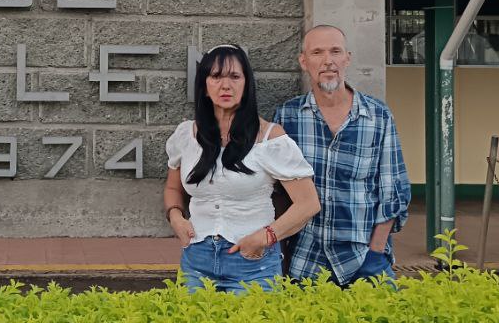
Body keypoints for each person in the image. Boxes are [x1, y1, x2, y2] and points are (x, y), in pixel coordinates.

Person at [162, 44, 321, 293]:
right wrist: (175, 217)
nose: (226, 85)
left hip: (252, 262)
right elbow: (173, 187)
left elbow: (308, 203)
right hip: (196, 259)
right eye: (216, 76)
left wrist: (266, 237)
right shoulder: (186, 134)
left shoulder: (270, 138)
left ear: (246, 84)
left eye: (235, 76)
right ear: (204, 86)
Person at [273, 24, 412, 286]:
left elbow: (393, 191)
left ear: (347, 58)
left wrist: (376, 253)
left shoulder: (378, 116)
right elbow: (276, 192)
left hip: (363, 259)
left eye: (335, 51)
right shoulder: (287, 117)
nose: (328, 61)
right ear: (304, 61)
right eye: (317, 53)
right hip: (304, 259)